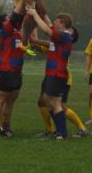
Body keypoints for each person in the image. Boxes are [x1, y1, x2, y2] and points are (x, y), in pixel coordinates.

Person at [26, 7, 75, 140]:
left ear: (63, 23)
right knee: (48, 100)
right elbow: (50, 27)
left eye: (56, 21)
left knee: (55, 103)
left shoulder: (64, 35)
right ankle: (59, 131)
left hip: (57, 74)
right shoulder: (60, 36)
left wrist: (35, 14)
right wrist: (43, 12)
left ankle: (62, 133)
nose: (54, 23)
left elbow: (47, 30)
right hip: (53, 73)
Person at [34, 28, 88, 138]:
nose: (65, 30)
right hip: (51, 75)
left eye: (69, 30)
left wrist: (34, 39)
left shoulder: (64, 44)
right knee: (42, 101)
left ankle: (82, 128)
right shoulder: (57, 44)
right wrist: (33, 44)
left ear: (71, 38)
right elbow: (45, 49)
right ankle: (50, 129)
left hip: (62, 77)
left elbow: (47, 44)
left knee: (60, 105)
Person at [0, 14, 25, 138]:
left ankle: (5, 127)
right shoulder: (5, 32)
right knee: (1, 99)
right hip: (6, 70)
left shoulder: (16, 32)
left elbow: (23, 20)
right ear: (4, 23)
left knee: (11, 100)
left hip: (17, 71)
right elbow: (16, 15)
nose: (10, 19)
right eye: (8, 19)